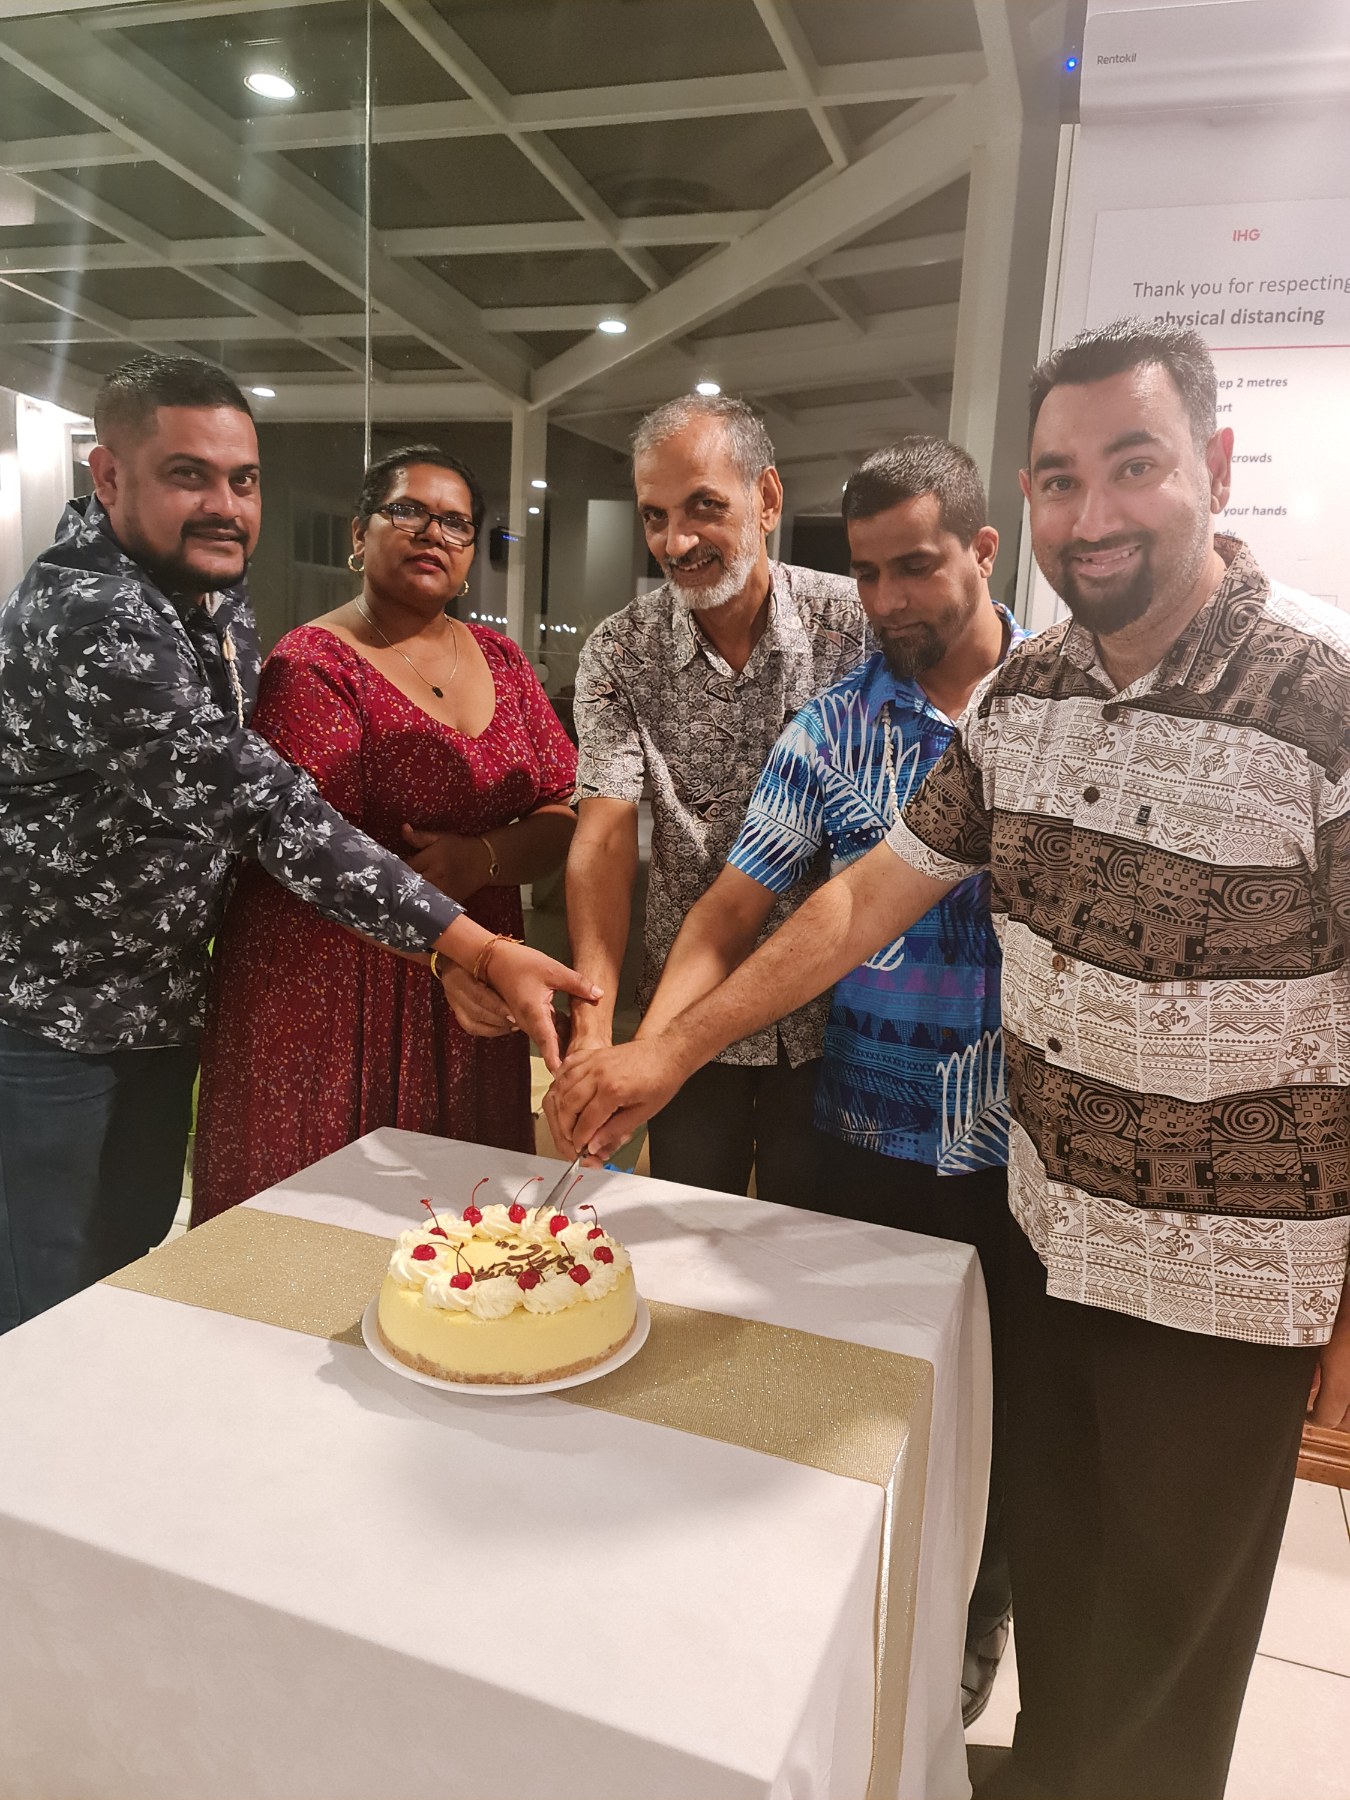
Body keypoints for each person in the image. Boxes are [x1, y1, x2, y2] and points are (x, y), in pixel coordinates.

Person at [549, 320, 1350, 1800]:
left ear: (1218, 465)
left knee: (1164, 1654)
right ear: (1026, 503)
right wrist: (666, 1054)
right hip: (1043, 1230)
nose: (1092, 513)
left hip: (1224, 1279)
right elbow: (857, 899)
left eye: (1133, 465)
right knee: (1055, 1580)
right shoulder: (1031, 700)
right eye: (1062, 478)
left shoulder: (1320, 690)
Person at [561, 435, 1022, 1724]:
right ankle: (839, 1620)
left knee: (1008, 1406)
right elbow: (729, 906)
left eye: (915, 567)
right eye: (870, 574)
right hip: (868, 1119)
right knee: (852, 1396)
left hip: (1029, 1146)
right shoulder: (832, 728)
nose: (889, 602)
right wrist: (645, 1050)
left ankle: (979, 1605)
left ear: (984, 551)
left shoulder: (1056, 701)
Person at [0, 356, 594, 1335]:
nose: (224, 506)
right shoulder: (92, 617)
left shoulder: (209, 594)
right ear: (107, 475)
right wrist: (478, 946)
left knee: (131, 1273)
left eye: (242, 479)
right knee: (47, 1306)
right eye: (187, 474)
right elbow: (273, 813)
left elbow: (561, 801)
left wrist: (485, 879)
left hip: (163, 1001)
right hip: (53, 1017)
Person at [192, 446, 578, 1222]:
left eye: (456, 523)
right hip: (330, 983)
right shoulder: (312, 663)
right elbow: (305, 850)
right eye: (408, 511)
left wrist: (482, 858)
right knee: (321, 1222)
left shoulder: (503, 661)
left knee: (462, 1227)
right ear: (358, 534)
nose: (433, 532)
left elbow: (561, 813)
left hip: (476, 969)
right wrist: (452, 940)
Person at [560, 393, 866, 1203]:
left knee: (812, 1241)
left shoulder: (855, 628)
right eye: (654, 516)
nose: (677, 541)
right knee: (683, 1228)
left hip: (832, 1018)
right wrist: (594, 1026)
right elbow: (604, 836)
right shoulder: (620, 652)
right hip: (681, 1017)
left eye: (703, 506)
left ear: (766, 498)